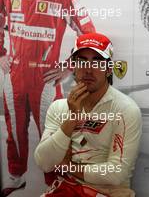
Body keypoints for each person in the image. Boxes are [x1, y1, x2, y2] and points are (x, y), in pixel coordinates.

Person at [0, 0, 95, 196]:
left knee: (52, 135)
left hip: (46, 79)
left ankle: (54, 183)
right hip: (14, 76)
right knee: (14, 131)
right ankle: (15, 176)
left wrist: (70, 66)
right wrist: (1, 54)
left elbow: (90, 35)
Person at [34, 32, 142, 197]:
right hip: (66, 189)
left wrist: (67, 166)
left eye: (97, 62)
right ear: (73, 67)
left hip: (109, 193)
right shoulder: (58, 107)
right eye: (82, 61)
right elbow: (44, 162)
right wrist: (72, 120)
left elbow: (116, 173)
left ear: (108, 69)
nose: (88, 69)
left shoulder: (125, 109)